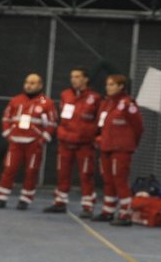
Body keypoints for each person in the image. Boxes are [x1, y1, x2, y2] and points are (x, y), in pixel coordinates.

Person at [46, 66, 103, 217]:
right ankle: (60, 202)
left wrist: (94, 136)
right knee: (62, 173)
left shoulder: (95, 98)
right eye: (72, 77)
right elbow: (63, 118)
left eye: (77, 76)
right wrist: (62, 134)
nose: (74, 80)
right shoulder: (65, 95)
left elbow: (99, 121)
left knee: (86, 174)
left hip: (85, 143)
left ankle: (87, 206)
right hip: (65, 142)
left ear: (86, 79)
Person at [0, 73, 56, 209]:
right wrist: (7, 133)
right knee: (9, 169)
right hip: (15, 142)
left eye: (33, 83)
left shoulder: (47, 103)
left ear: (40, 85)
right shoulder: (16, 100)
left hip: (33, 143)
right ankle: (1, 197)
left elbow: (52, 123)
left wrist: (43, 139)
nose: (28, 85)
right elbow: (6, 118)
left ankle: (25, 199)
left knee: (31, 171)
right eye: (27, 82)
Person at [97, 73, 143, 225]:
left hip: (121, 149)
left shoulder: (128, 104)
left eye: (111, 84)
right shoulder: (107, 103)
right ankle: (108, 211)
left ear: (121, 86)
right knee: (108, 180)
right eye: (107, 84)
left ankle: (126, 213)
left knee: (120, 180)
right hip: (106, 147)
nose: (107, 87)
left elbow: (138, 127)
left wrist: (129, 143)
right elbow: (102, 125)